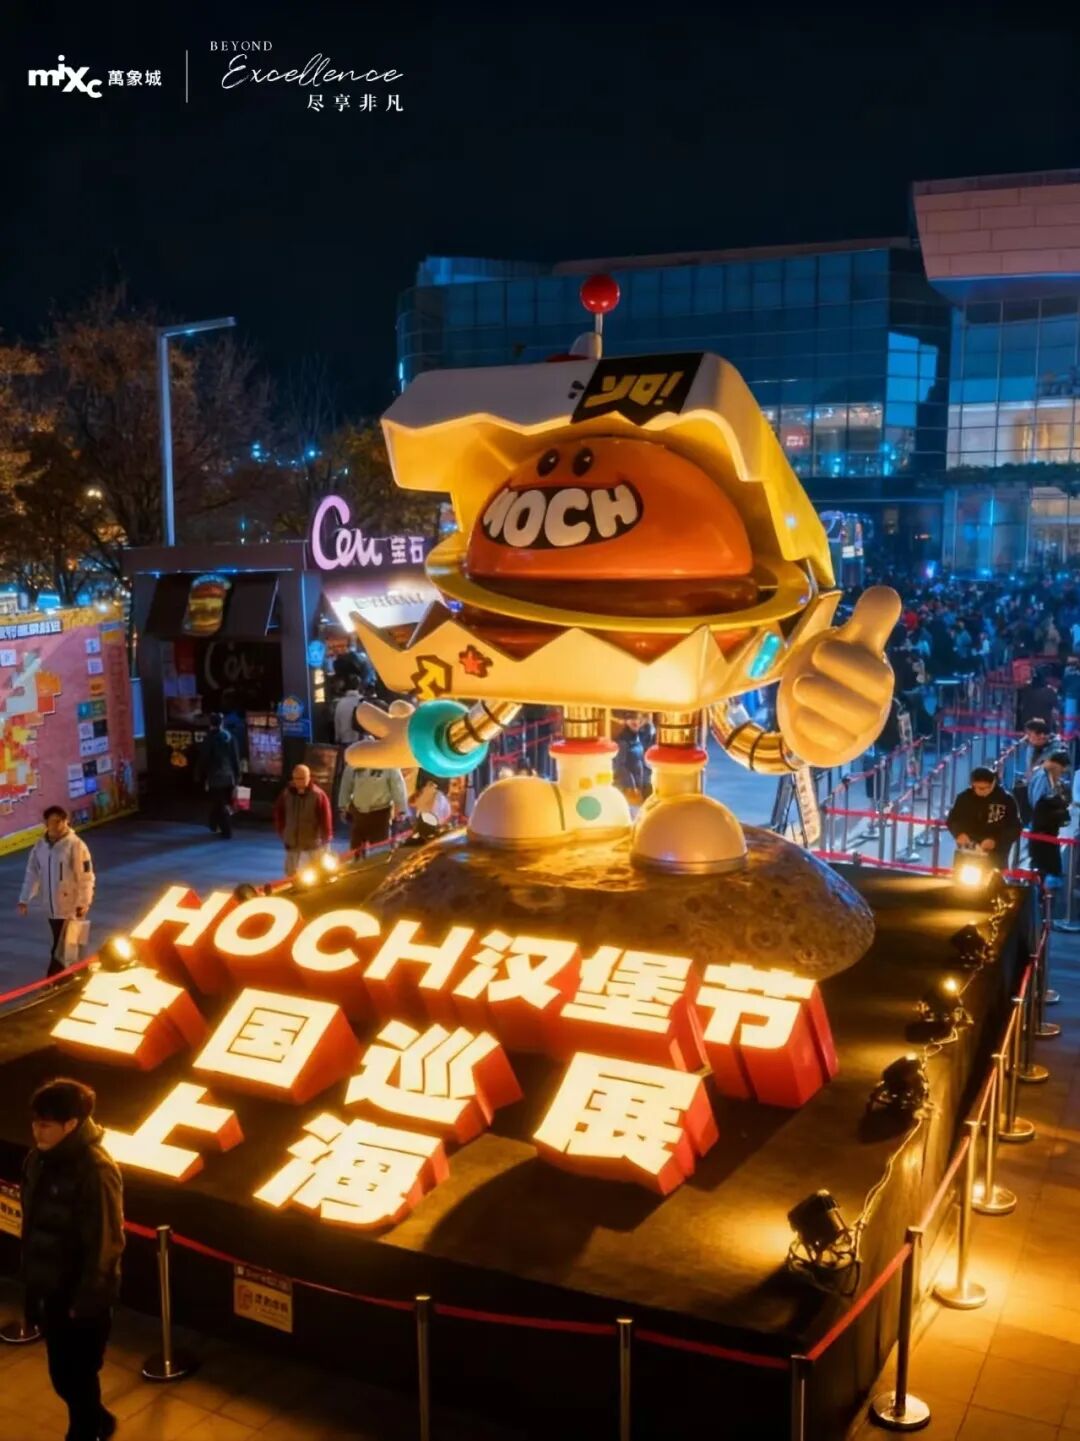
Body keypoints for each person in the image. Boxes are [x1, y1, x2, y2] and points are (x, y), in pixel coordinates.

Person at [21, 1078, 123, 1441]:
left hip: (80, 1294)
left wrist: (87, 1300)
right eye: (35, 1123)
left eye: (46, 1124)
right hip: (49, 1285)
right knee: (63, 1375)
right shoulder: (38, 1160)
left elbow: (105, 1242)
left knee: (76, 1372)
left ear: (71, 1124)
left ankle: (85, 1431)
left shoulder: (96, 1170)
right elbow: (32, 1225)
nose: (37, 1131)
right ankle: (97, 1421)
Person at [16, 807, 95, 977]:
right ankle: (77, 974)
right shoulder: (40, 846)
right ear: (46, 823)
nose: (56, 825)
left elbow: (86, 877)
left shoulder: (75, 845)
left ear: (66, 821)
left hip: (71, 907)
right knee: (67, 946)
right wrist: (24, 898)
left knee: (62, 947)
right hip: (51, 908)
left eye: (59, 821)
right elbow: (32, 874)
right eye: (52, 821)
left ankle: (54, 979)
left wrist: (84, 902)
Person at [946, 765, 1023, 868]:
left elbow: (1015, 828)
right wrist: (958, 833)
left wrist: (996, 841)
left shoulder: (1006, 800)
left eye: (985, 788)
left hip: (995, 855)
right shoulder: (963, 798)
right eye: (977, 788)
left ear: (993, 784)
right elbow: (952, 820)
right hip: (967, 851)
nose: (981, 791)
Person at [273, 764, 333, 875]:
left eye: (302, 778)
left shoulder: (318, 795)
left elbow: (326, 819)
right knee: (291, 874)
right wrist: (283, 833)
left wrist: (326, 840)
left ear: (309, 777)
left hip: (312, 845)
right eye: (296, 778)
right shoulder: (286, 794)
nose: (299, 781)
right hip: (292, 844)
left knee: (315, 875)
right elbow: (279, 814)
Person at [339, 759, 408, 848]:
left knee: (379, 849)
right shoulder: (356, 761)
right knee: (356, 848)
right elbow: (346, 785)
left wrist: (401, 810)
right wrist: (343, 806)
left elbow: (398, 787)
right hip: (358, 814)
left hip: (380, 814)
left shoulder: (389, 764)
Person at [197, 712, 241, 840]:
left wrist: (200, 775)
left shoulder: (209, 739)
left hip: (215, 776)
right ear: (222, 723)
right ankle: (214, 824)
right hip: (229, 776)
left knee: (220, 803)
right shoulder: (230, 737)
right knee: (223, 802)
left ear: (210, 724)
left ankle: (226, 830)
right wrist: (237, 775)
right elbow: (235, 758)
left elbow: (204, 759)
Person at [333, 681, 364, 746]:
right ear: (358, 687)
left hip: (345, 741)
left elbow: (337, 722)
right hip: (361, 741)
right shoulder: (363, 701)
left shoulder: (340, 703)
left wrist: (337, 738)